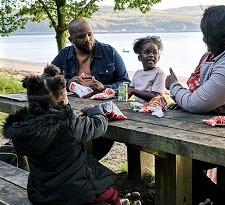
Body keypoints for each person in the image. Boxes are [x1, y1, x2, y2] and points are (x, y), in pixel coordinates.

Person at [165, 5, 225, 205]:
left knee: (178, 156)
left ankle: (217, 199)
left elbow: (194, 103)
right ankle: (213, 198)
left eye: (205, 35)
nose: (203, 39)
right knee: (175, 156)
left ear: (215, 38)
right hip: (223, 129)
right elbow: (202, 94)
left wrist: (173, 86)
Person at [3, 65, 121, 205]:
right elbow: (98, 126)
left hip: (40, 194)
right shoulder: (69, 124)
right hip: (76, 192)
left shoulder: (23, 128)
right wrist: (94, 110)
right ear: (61, 102)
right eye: (66, 99)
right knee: (111, 194)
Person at [52, 18, 131, 160]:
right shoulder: (64, 55)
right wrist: (68, 82)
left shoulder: (109, 52)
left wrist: (105, 88)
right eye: (81, 37)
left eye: (90, 34)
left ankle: (86, 164)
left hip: (101, 109)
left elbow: (125, 82)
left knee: (100, 136)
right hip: (72, 109)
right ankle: (77, 165)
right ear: (71, 39)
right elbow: (47, 80)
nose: (88, 39)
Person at [128, 36, 165, 102]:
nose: (151, 55)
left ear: (158, 57)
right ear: (139, 57)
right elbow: (129, 92)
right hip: (139, 108)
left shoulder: (159, 74)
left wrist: (133, 91)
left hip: (153, 109)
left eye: (154, 53)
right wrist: (118, 91)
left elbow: (154, 97)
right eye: (146, 53)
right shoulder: (137, 73)